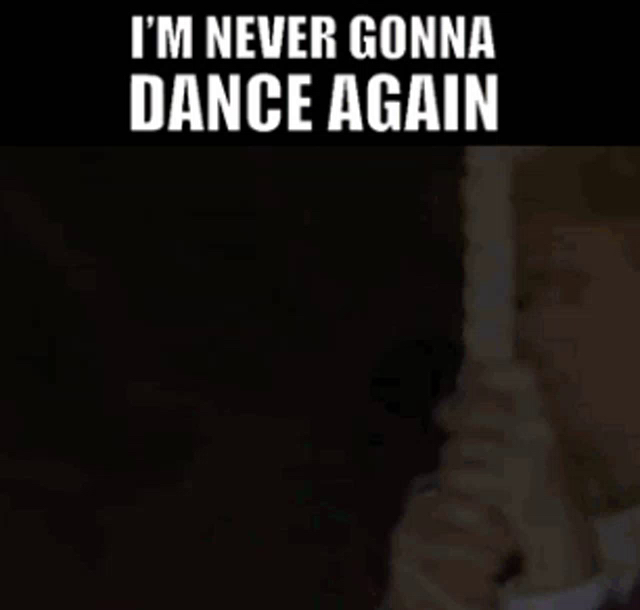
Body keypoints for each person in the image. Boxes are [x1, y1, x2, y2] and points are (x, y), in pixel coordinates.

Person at [383, 147, 640, 609]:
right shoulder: (484, 545)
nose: (515, 334)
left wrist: (562, 576)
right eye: (514, 299)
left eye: (558, 288)